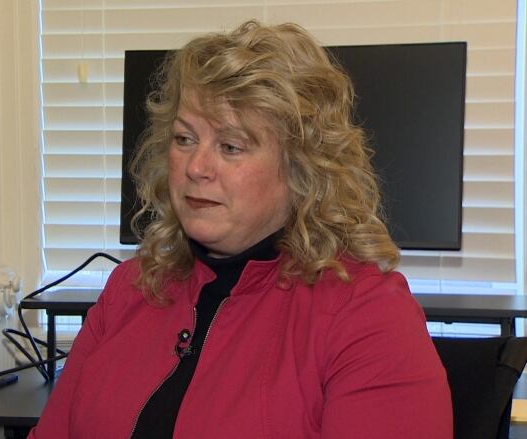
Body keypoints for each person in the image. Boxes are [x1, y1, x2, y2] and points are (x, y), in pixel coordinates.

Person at [29, 21, 452, 438]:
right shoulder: (129, 290)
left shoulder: (367, 316)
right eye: (184, 139)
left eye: (231, 146)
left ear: (300, 167)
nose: (196, 167)